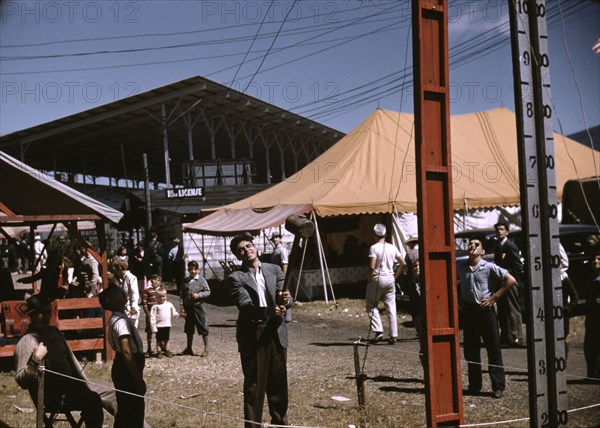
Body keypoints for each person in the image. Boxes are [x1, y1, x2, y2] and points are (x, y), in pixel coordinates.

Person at [226, 233, 292, 428]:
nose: (247, 250)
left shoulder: (275, 269)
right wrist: (269, 311)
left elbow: (288, 299)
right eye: (241, 250)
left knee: (278, 384)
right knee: (254, 387)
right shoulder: (235, 277)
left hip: (276, 332)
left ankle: (280, 423)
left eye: (248, 245)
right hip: (254, 334)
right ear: (238, 256)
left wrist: (286, 301)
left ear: (255, 247)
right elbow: (245, 306)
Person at [14, 295, 111, 427]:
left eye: (49, 311)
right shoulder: (26, 342)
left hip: (74, 385)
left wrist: (85, 383)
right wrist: (35, 360)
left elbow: (72, 361)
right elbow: (21, 380)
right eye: (42, 312)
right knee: (92, 399)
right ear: (32, 315)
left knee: (113, 390)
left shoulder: (55, 332)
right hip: (55, 396)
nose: (47, 316)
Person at [458, 238, 517, 399]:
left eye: (476, 244)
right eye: (470, 244)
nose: (472, 246)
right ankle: (474, 385)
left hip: (485, 311)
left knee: (493, 349)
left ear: (483, 251)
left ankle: (498, 386)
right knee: (471, 350)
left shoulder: (488, 267)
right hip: (469, 312)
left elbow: (510, 280)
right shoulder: (461, 266)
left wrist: (494, 297)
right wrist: (458, 300)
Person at [99, 285, 146, 428]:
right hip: (126, 368)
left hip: (125, 367)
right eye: (118, 293)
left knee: (128, 410)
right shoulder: (120, 322)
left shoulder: (119, 318)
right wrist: (137, 378)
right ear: (110, 300)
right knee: (132, 410)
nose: (123, 294)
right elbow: (126, 352)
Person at [366, 223, 405, 345]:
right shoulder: (392, 247)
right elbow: (402, 263)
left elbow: (372, 266)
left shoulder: (374, 248)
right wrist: (395, 276)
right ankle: (393, 335)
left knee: (371, 304)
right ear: (386, 235)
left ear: (375, 235)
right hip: (390, 278)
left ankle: (378, 331)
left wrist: (369, 278)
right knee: (391, 307)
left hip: (378, 277)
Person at [493, 222, 525, 347]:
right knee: (502, 309)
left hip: (510, 281)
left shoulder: (510, 246)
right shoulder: (497, 245)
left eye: (502, 229)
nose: (499, 232)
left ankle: (517, 336)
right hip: (500, 282)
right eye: (497, 230)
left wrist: (512, 278)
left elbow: (518, 265)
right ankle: (506, 335)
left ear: (507, 232)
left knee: (513, 309)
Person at [179, 260, 210, 357]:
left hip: (198, 307)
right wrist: (182, 307)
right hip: (188, 307)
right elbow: (181, 295)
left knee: (203, 326)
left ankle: (206, 349)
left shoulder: (201, 280)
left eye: (195, 269)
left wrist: (199, 295)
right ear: (188, 270)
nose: (193, 271)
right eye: (191, 269)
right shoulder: (185, 281)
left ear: (198, 269)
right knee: (189, 328)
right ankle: (189, 348)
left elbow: (208, 291)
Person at [559, 243, 579, 360]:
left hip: (562, 313)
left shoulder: (564, 278)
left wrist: (567, 309)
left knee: (562, 337)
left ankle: (563, 361)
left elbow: (575, 297)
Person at [584, 253, 600, 380]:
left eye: (599, 259)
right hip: (592, 316)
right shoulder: (591, 278)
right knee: (590, 346)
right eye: (594, 259)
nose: (595, 261)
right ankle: (591, 371)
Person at [150, 287, 179, 358]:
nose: (162, 298)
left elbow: (174, 312)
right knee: (159, 340)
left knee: (166, 338)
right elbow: (152, 317)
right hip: (159, 326)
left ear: (166, 296)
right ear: (156, 297)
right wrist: (153, 327)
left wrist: (178, 315)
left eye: (163, 296)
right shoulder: (155, 306)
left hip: (167, 325)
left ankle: (166, 350)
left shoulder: (169, 304)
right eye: (160, 297)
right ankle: (159, 351)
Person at [113, 259, 141, 328]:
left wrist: (133, 306)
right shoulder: (123, 279)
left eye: (116, 269)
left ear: (119, 268)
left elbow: (134, 293)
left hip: (131, 308)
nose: (116, 271)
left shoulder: (131, 277)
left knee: (132, 330)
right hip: (125, 308)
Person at [142, 274, 161, 357]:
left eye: (158, 280)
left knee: (159, 331)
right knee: (149, 331)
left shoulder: (161, 291)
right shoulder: (147, 290)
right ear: (151, 281)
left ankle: (159, 349)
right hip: (150, 313)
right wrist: (147, 313)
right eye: (154, 279)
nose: (155, 281)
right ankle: (149, 348)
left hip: (159, 315)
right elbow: (144, 302)